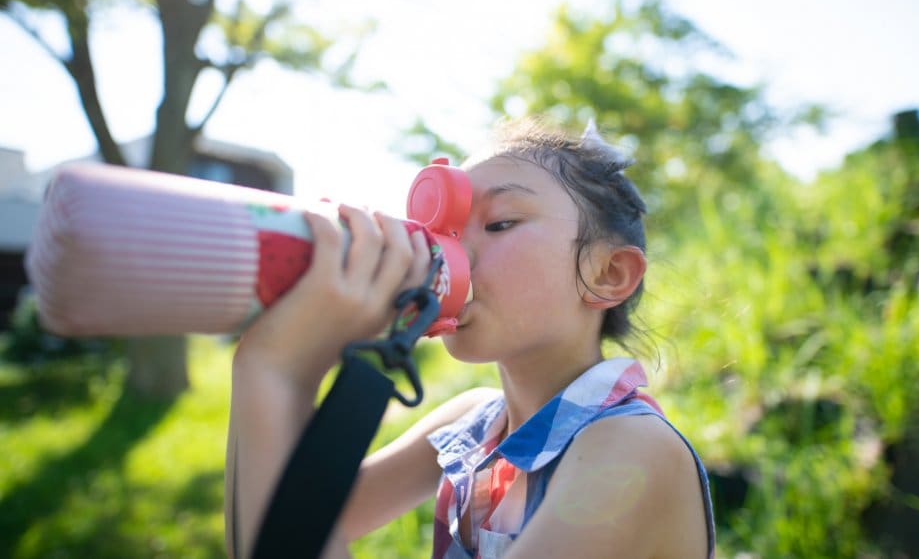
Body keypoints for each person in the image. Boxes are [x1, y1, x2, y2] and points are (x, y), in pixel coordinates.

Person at [225, 118, 716, 559]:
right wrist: (271, 362)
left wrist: (279, 376)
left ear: (610, 274)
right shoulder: (473, 425)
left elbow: (287, 534)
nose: (449, 254)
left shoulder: (631, 446)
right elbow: (266, 531)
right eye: (446, 231)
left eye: (500, 223)